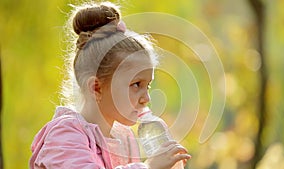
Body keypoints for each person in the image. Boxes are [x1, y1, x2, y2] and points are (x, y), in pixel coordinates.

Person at [29, 1, 191, 168]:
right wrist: (149, 167)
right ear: (96, 88)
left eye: (147, 85)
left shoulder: (123, 138)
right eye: (136, 84)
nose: (146, 98)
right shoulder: (65, 133)